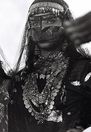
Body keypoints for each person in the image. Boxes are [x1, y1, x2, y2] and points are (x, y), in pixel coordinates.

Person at [8, 0, 91, 132]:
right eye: (35, 22)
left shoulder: (84, 70)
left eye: (50, 20)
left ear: (65, 24)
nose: (42, 28)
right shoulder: (19, 80)